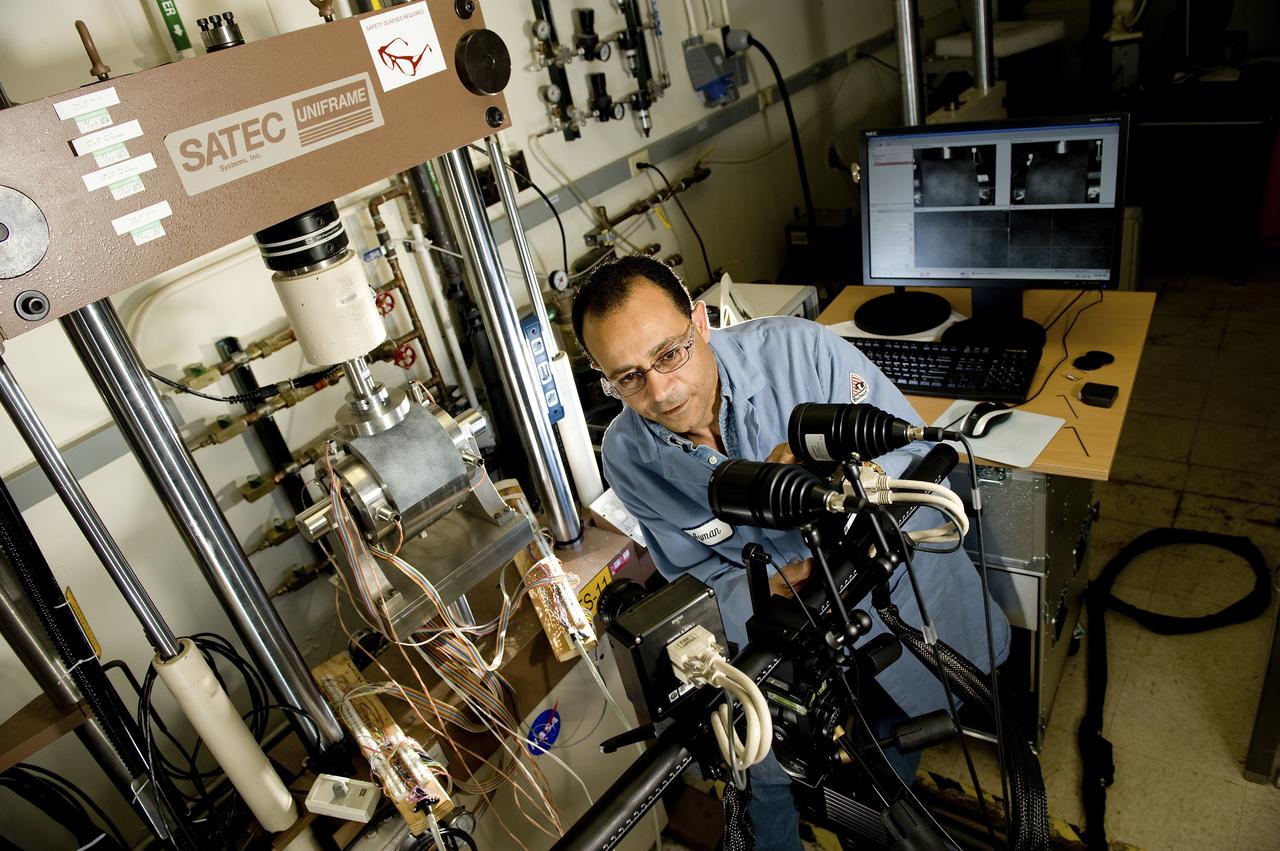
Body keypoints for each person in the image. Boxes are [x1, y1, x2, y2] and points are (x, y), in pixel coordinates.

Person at [572, 256, 1010, 851]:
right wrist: (779, 585)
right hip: (781, 642)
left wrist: (846, 482)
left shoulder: (803, 355)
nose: (660, 390)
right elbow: (693, 576)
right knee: (762, 776)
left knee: (889, 764)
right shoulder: (627, 453)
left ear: (699, 322)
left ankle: (876, 824)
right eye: (628, 378)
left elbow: (915, 467)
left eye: (670, 354)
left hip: (891, 599)